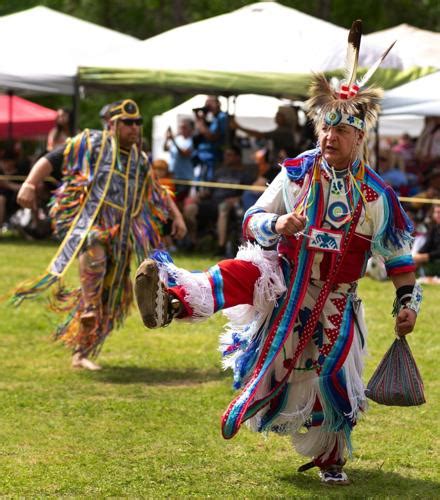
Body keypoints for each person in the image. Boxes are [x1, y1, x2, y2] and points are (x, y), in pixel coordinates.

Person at [133, 24, 422, 486]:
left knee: (331, 379)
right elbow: (251, 219)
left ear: (360, 137)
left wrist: (407, 306)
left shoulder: (377, 197)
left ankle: (332, 457)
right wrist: (278, 224)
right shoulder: (298, 174)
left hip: (337, 303)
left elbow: (400, 260)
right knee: (249, 269)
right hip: (287, 279)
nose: (330, 136)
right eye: (326, 126)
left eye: (342, 129)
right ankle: (173, 298)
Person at [14, 99, 186, 371]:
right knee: (95, 245)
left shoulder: (139, 160)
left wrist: (176, 216)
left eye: (138, 123)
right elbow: (52, 158)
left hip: (122, 236)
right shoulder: (92, 143)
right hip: (93, 224)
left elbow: (156, 191)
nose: (134, 128)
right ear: (112, 124)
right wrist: (29, 184)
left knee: (111, 300)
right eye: (128, 123)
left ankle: (81, 352)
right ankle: (90, 305)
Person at [230, 105, 299, 163]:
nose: (276, 116)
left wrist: (238, 127)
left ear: (286, 118)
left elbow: (260, 135)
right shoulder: (285, 130)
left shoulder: (284, 131)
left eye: (279, 115)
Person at [193, 95, 228, 182]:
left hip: (213, 158)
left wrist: (200, 122)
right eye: (207, 103)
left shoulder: (222, 117)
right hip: (203, 157)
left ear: (218, 104)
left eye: (211, 102)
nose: (208, 105)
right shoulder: (212, 118)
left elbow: (212, 137)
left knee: (210, 182)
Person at [164, 119, 194, 205]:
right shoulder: (178, 139)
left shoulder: (191, 141)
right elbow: (165, 148)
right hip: (173, 176)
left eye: (184, 127)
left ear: (190, 129)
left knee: (180, 200)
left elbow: (184, 153)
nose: (182, 129)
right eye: (181, 127)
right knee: (172, 199)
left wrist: (173, 140)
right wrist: (167, 139)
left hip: (184, 177)